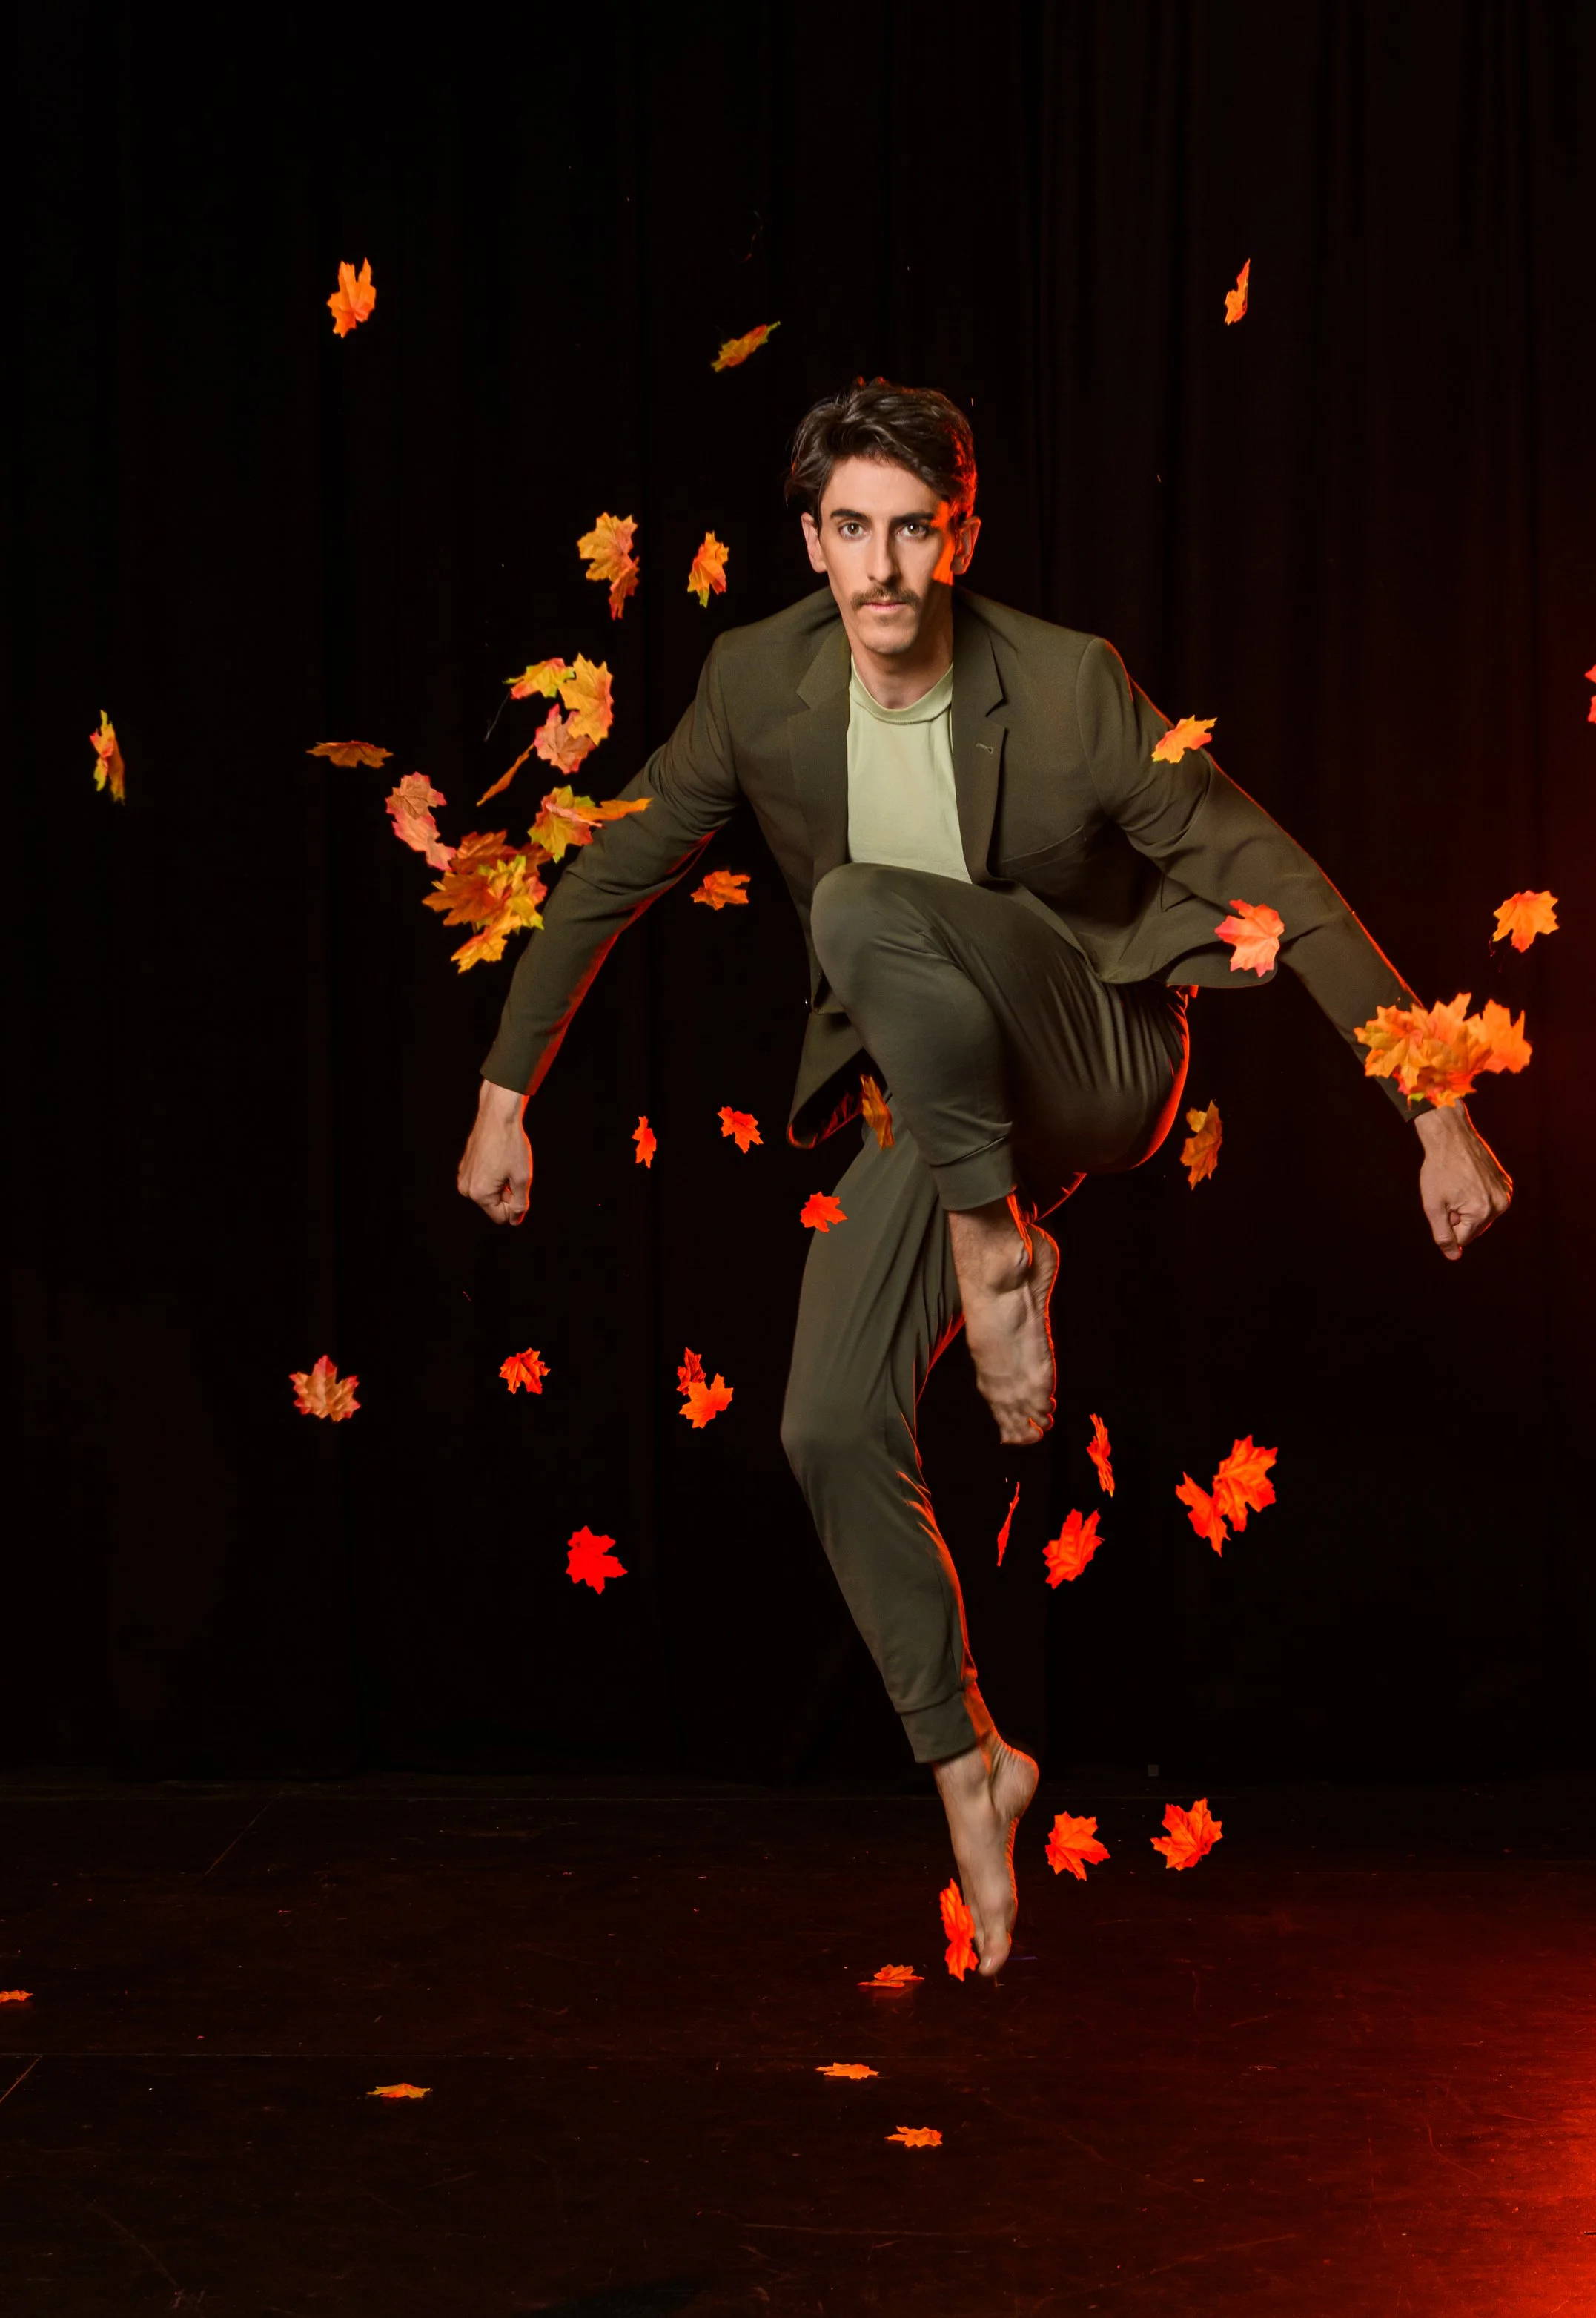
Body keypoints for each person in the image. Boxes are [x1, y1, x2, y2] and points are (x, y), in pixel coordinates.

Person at [457, 380, 1511, 1975]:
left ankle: (991, 1253)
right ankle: (968, 1759)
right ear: (811, 540)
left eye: (915, 532)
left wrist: (1430, 1107)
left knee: (865, 910)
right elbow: (615, 865)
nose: (884, 571)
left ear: (961, 535)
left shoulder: (1066, 686)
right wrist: (502, 1093)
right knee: (823, 1418)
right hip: (944, 1118)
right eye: (852, 533)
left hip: (1089, 1065)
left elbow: (1266, 876)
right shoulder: (758, 684)